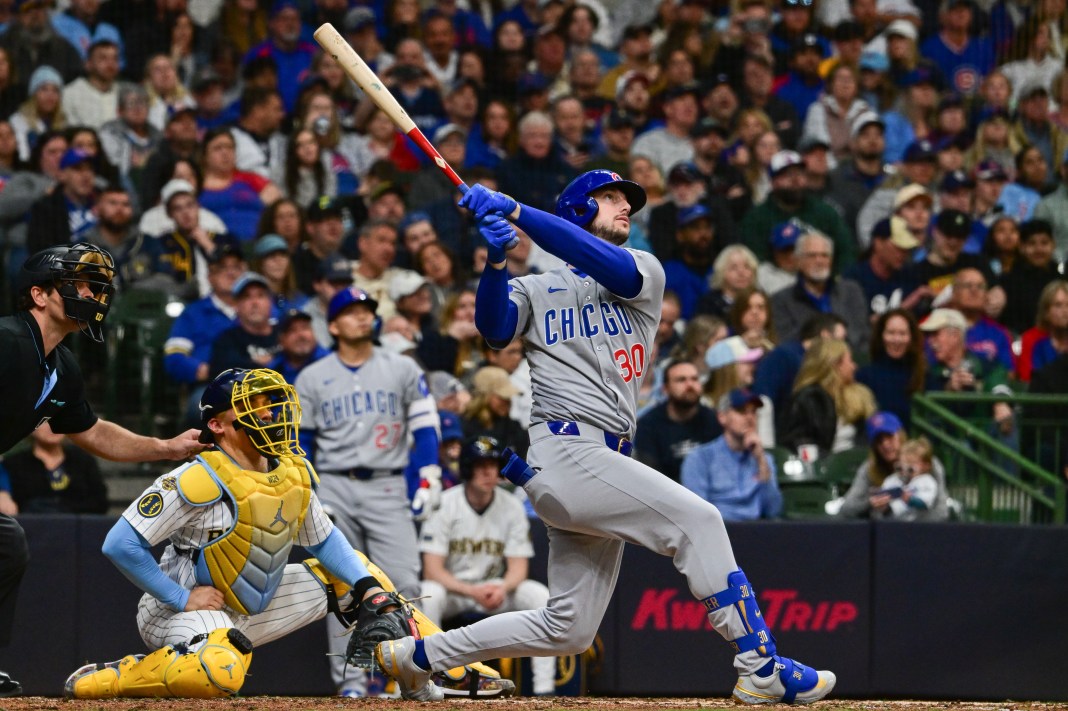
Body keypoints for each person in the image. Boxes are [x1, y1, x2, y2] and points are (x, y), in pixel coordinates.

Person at [369, 168, 836, 703]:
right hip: (566, 449)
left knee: (568, 628)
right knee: (699, 522)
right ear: (574, 210)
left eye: (627, 199)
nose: (625, 206)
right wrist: (497, 262)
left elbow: (597, 260)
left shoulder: (644, 270)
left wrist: (517, 211)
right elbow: (495, 329)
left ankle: (416, 656)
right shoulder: (537, 287)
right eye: (608, 197)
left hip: (600, 460)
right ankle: (759, 664)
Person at [60, 367, 481, 699]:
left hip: (252, 605)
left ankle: (445, 668)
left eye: (270, 404)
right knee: (218, 673)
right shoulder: (196, 477)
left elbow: (324, 540)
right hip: (179, 610)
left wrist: (370, 588)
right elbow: (120, 543)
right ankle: (119, 677)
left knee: (366, 578)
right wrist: (180, 597)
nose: (267, 414)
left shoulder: (290, 472)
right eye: (252, 406)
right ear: (219, 426)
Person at [1, 243, 207, 696]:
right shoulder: (7, 340)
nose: (93, 295)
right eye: (80, 285)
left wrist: (165, 446)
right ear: (40, 294)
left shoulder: (60, 366)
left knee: (6, 543)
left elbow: (91, 432)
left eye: (96, 288)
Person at [294, 287, 443, 698]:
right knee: (340, 587)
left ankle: (414, 675)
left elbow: (426, 426)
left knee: (407, 581)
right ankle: (352, 684)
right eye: (353, 312)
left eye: (368, 311)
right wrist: (309, 489)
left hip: (387, 482)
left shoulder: (402, 368)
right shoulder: (311, 377)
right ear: (335, 325)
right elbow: (301, 444)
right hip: (335, 484)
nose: (363, 318)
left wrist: (428, 471)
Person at [418, 436, 557, 696]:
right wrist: (471, 591)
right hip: (456, 592)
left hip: (495, 591)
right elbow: (432, 569)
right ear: (468, 468)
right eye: (481, 465)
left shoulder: (512, 506)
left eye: (493, 466)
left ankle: (545, 690)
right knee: (428, 593)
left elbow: (518, 568)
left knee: (540, 596)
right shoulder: (445, 503)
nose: (488, 472)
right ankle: (429, 683)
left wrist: (503, 587)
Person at [680, 388, 783, 521]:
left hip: (757, 531)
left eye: (753, 412)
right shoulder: (700, 458)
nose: (749, 417)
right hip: (718, 531)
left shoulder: (764, 459)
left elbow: (773, 510)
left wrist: (761, 461)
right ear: (722, 417)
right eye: (741, 411)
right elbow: (697, 513)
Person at [780, 337, 876, 456]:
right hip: (824, 470)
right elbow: (799, 444)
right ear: (835, 365)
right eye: (850, 361)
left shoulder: (860, 395)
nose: (854, 366)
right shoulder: (809, 399)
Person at [634, 359, 721, 483]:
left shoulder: (714, 419)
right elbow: (650, 479)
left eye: (694, 379)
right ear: (665, 389)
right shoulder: (648, 426)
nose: (690, 385)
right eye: (681, 380)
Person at [0, 421, 107, 514]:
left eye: (59, 420)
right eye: (46, 421)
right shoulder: (14, 464)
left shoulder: (83, 460)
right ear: (31, 427)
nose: (53, 427)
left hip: (81, 530)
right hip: (31, 529)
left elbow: (100, 503)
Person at [857, 309, 926, 429]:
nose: (896, 340)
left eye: (902, 333)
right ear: (881, 336)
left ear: (911, 337)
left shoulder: (923, 375)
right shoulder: (864, 376)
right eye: (891, 333)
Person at [868, 436, 947, 521]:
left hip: (919, 526)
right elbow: (886, 504)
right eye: (903, 462)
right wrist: (879, 500)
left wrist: (910, 500)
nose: (906, 467)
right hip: (894, 526)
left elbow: (925, 503)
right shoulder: (892, 480)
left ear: (926, 466)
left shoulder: (927, 481)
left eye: (911, 463)